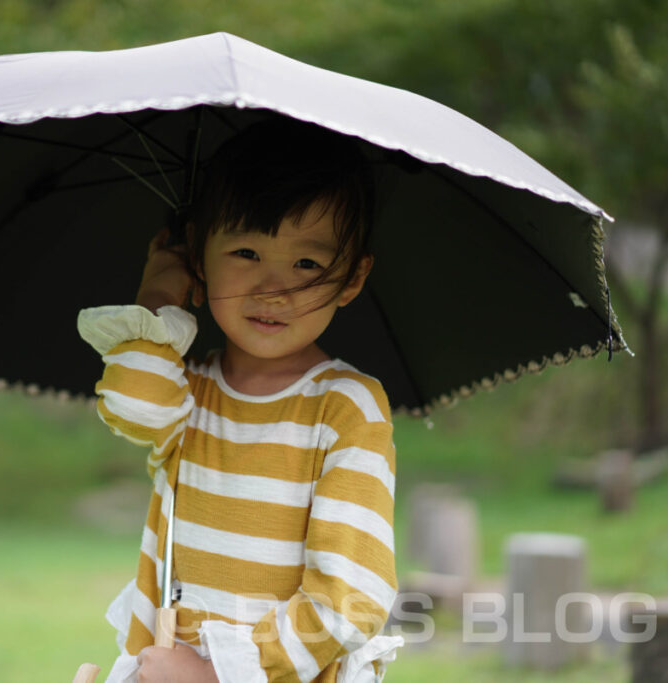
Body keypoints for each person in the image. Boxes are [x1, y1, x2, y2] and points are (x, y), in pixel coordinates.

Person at [78, 118, 402, 683]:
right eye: (247, 251)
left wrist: (219, 673)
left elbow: (355, 593)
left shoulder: (346, 407)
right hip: (168, 663)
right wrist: (158, 289)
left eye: (307, 263)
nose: (272, 288)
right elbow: (135, 406)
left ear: (352, 277)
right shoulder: (187, 390)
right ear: (200, 256)